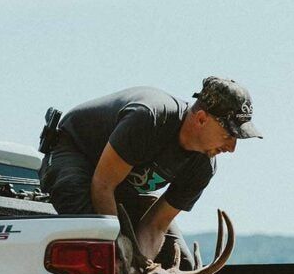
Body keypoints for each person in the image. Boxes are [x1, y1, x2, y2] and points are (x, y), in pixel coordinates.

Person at [39, 78, 261, 261]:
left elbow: (155, 226)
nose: (232, 148)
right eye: (228, 135)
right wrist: (123, 258)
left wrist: (141, 267)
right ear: (201, 119)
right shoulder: (151, 119)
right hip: (76, 156)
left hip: (118, 185)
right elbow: (103, 185)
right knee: (103, 242)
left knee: (180, 263)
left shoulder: (203, 167)